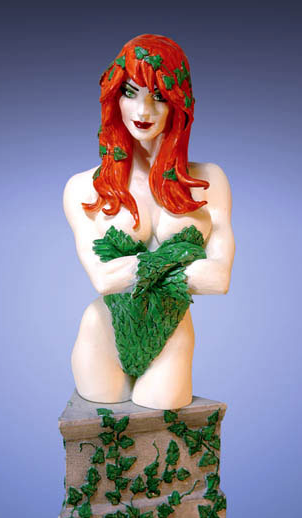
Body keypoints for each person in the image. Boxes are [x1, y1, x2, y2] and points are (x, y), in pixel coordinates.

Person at [63, 34, 235, 410]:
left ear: (179, 103)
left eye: (159, 96)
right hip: (105, 331)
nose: (144, 109)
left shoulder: (210, 181)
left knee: (164, 423)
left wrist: (132, 268)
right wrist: (182, 258)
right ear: (115, 98)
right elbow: (103, 279)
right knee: (100, 425)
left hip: (171, 331)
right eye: (131, 92)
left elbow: (219, 279)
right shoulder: (83, 188)